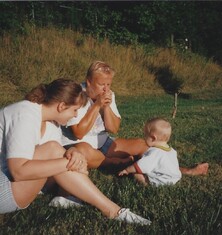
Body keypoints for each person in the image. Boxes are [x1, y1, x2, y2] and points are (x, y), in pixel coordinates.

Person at [0, 78, 151, 225]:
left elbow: (56, 152)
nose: (76, 115)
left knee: (60, 151)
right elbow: (18, 171)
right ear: (61, 106)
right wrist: (70, 163)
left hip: (19, 184)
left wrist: (72, 152)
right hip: (5, 190)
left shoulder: (52, 122)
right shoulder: (25, 114)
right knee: (55, 152)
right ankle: (112, 210)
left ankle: (109, 209)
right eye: (75, 110)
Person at [61, 61, 209, 175]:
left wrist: (105, 107)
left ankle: (183, 170)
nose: (106, 89)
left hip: (104, 143)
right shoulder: (75, 94)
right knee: (83, 151)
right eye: (101, 84)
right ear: (88, 82)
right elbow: (78, 133)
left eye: (109, 84)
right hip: (79, 145)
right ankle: (115, 164)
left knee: (143, 145)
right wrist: (96, 106)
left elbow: (113, 128)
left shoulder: (109, 94)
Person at [119, 117, 182, 186]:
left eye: (145, 135)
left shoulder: (155, 152)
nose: (144, 137)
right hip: (174, 178)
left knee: (136, 173)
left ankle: (146, 184)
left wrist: (127, 170)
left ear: (153, 138)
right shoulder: (171, 150)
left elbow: (140, 166)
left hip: (162, 181)